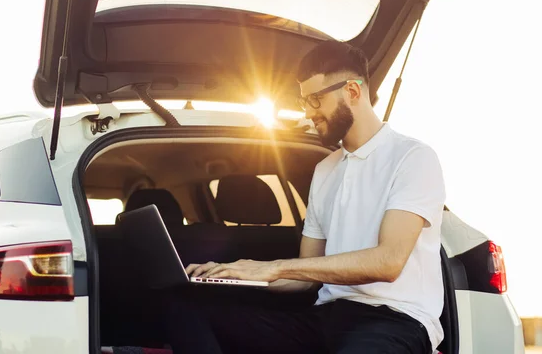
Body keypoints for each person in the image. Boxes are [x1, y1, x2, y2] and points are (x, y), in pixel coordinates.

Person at [164, 41, 446, 354]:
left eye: (314, 100)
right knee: (187, 310)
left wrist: (273, 267)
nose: (308, 113)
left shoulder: (413, 158)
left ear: (352, 91)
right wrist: (233, 274)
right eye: (303, 102)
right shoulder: (325, 170)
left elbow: (388, 262)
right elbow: (305, 278)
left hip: (395, 321)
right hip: (324, 318)